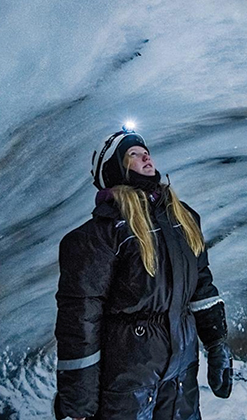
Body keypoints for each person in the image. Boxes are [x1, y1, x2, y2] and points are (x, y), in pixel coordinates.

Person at [54, 127, 232, 420]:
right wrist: (78, 406)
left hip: (181, 373)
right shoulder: (100, 236)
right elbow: (80, 323)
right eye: (132, 154)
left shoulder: (182, 219)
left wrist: (217, 343)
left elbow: (201, 286)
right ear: (115, 171)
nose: (145, 155)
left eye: (145, 151)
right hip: (128, 381)